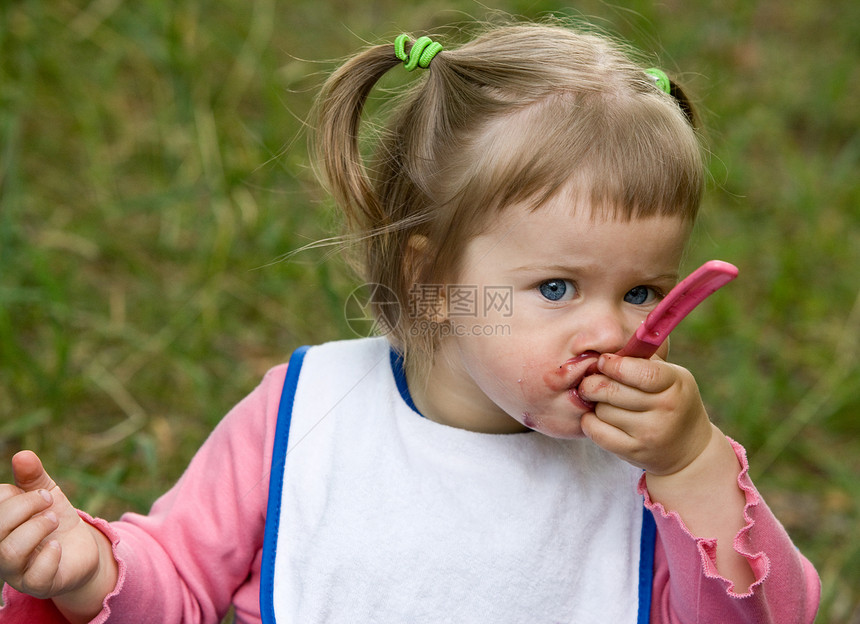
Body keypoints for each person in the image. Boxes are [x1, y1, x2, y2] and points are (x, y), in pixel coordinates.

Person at [0, 20, 820, 624]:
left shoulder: (652, 475)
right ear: (430, 276)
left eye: (643, 292)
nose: (610, 332)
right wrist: (89, 572)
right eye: (558, 287)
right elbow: (175, 584)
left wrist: (695, 466)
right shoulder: (308, 412)